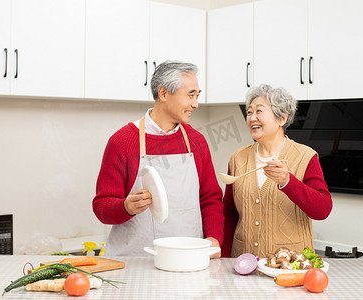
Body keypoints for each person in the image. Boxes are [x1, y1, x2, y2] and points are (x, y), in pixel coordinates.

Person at [93, 61, 223, 257]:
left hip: (186, 261)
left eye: (197, 96)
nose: (195, 104)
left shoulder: (197, 142)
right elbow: (102, 206)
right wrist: (126, 207)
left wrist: (213, 238)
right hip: (134, 264)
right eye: (190, 95)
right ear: (163, 94)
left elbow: (210, 198)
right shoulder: (122, 142)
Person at [221, 84, 332, 258]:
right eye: (249, 112)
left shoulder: (306, 157)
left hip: (289, 266)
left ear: (281, 119)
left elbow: (322, 209)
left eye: (259, 111)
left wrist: (288, 182)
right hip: (242, 264)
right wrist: (223, 260)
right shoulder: (238, 158)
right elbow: (229, 213)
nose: (252, 118)